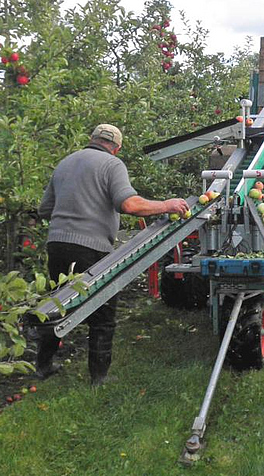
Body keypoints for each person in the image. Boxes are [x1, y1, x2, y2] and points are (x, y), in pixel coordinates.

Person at [36, 123, 189, 385]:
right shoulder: (112, 165)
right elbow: (128, 204)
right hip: (91, 248)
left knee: (56, 306)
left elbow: (44, 210)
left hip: (58, 244)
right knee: (103, 313)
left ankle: (43, 366)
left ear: (91, 139)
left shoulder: (65, 163)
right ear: (116, 149)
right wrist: (167, 205)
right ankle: (99, 378)